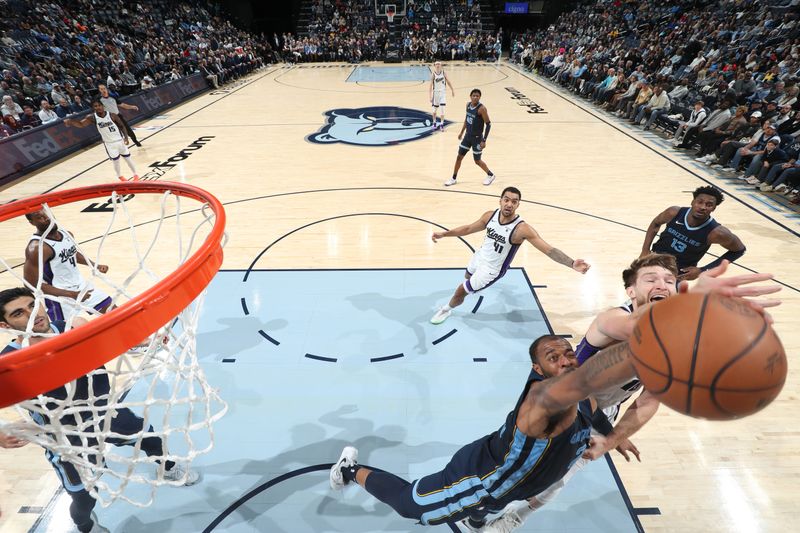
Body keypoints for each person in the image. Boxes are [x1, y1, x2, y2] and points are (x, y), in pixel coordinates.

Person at [330, 263, 779, 531]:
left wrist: (614, 434)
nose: (566, 357)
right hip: (486, 474)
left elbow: (628, 397)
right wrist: (683, 300)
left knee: (549, 485)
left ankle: (487, 519)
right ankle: (352, 471)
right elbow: (600, 371)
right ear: (538, 370)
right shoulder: (552, 392)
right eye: (553, 355)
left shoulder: (587, 400)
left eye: (567, 351)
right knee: (414, 506)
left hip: (545, 452)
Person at [482, 254, 678, 531]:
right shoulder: (613, 319)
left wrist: (613, 439)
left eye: (670, 281)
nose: (662, 285)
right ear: (631, 291)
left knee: (559, 478)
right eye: (651, 279)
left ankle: (515, 518)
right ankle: (481, 504)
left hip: (602, 412)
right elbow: (638, 329)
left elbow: (648, 401)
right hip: (561, 402)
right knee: (515, 464)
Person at [0, 287, 199, 533]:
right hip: (65, 435)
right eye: (18, 313)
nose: (32, 315)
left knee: (148, 437)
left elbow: (117, 342)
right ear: (4, 325)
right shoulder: (9, 363)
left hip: (103, 412)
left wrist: (144, 341)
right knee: (84, 498)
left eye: (32, 305)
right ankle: (85, 525)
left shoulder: (76, 327)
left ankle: (167, 467)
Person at [430, 187, 590, 324]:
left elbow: (549, 250)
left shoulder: (522, 229)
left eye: (514, 201)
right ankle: (471, 287)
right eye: (506, 200)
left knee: (460, 291)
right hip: (479, 256)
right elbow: (468, 229)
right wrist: (445, 234)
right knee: (467, 275)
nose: (509, 204)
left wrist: (571, 263)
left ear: (518, 204)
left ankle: (446, 309)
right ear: (500, 201)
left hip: (492, 269)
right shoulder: (489, 216)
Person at [23, 208, 113, 323]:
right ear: (32, 222)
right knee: (70, 332)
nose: (46, 218)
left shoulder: (66, 234)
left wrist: (94, 265)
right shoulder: (37, 247)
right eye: (40, 217)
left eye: (48, 214)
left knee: (113, 311)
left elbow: (71, 253)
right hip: (59, 296)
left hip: (81, 287)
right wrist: (71, 294)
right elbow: (30, 283)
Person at [640, 186, 745, 281]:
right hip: (652, 262)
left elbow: (739, 250)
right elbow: (655, 223)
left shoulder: (717, 233)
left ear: (713, 208)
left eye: (709, 205)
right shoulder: (673, 213)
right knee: (637, 296)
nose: (703, 207)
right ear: (693, 202)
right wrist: (645, 250)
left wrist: (703, 270)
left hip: (677, 274)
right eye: (700, 202)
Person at [64, 99, 140, 181]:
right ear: (93, 108)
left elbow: (122, 126)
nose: (98, 107)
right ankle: (120, 176)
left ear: (102, 106)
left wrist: (126, 137)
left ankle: (135, 174)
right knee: (116, 161)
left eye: (99, 105)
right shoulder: (92, 117)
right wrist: (71, 122)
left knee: (128, 159)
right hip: (109, 144)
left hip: (119, 140)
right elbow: (81, 124)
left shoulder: (112, 115)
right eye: (95, 106)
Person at [444, 89, 496, 187]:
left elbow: (488, 124)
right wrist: (461, 132)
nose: (475, 97)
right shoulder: (468, 105)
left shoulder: (482, 109)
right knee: (459, 157)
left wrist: (484, 140)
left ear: (480, 97)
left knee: (477, 161)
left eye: (477, 96)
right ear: (470, 96)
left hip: (477, 138)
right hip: (467, 136)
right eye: (474, 95)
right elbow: (466, 119)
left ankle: (490, 175)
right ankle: (453, 178)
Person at [429, 61, 455, 130]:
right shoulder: (433, 74)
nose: (437, 65)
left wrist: (452, 90)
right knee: (434, 111)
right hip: (435, 94)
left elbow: (448, 82)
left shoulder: (444, 73)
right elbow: (430, 86)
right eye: (436, 64)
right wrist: (430, 96)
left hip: (442, 93)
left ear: (441, 65)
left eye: (439, 64)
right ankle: (434, 123)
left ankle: (441, 124)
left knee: (442, 110)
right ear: (434, 65)